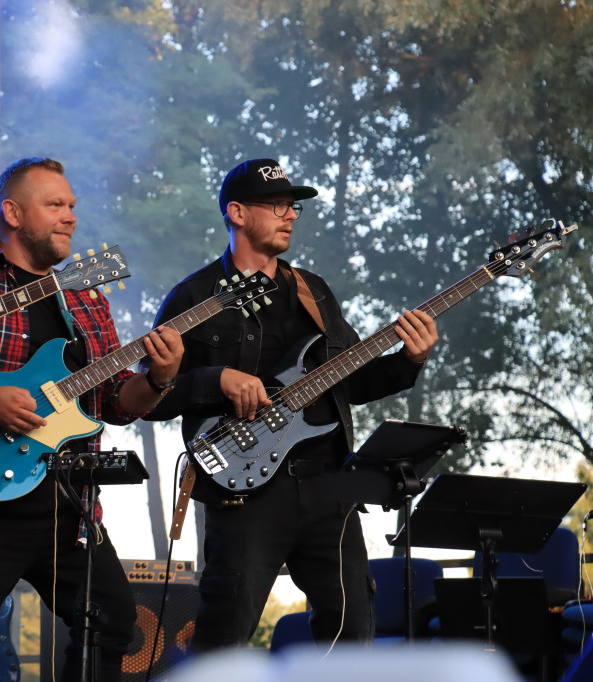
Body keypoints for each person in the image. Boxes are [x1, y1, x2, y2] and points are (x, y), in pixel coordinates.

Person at [143, 158, 438, 649]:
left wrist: (409, 361)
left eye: (293, 206)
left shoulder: (313, 291)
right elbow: (153, 398)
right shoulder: (194, 296)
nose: (291, 215)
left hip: (329, 485)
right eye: (277, 204)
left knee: (352, 630)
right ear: (236, 212)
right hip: (244, 489)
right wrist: (216, 378)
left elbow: (352, 382)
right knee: (226, 633)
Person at [0, 157, 184, 682]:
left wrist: (157, 377)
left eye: (72, 207)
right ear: (12, 213)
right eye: (55, 205)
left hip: (67, 502)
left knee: (114, 624)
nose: (70, 217)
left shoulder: (85, 297)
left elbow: (112, 403)